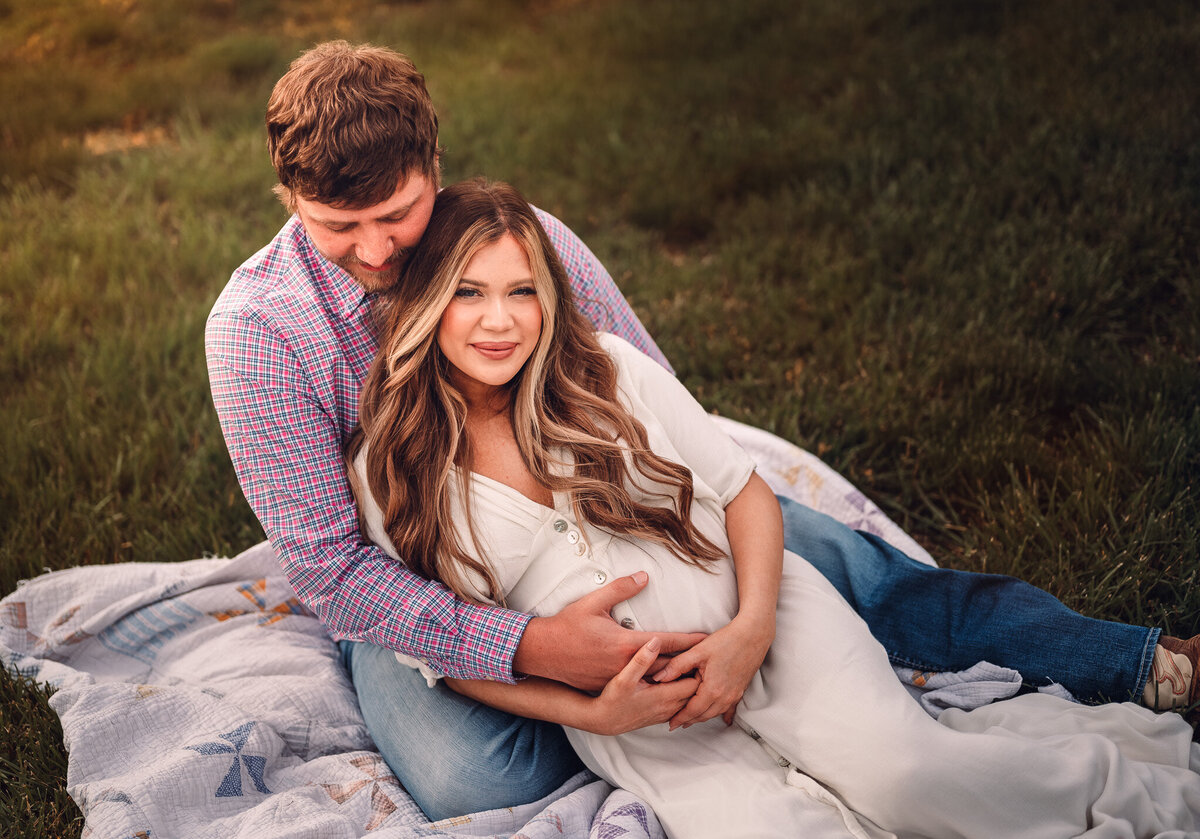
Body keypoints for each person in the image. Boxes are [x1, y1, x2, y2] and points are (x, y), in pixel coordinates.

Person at [205, 40, 1199, 821]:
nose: (376, 251)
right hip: (428, 564)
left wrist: (729, 597)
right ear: (288, 198)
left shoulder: (516, 242)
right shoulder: (260, 334)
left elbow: (644, 399)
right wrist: (543, 648)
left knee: (852, 574)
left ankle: (1142, 660)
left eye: (398, 215)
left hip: (595, 494)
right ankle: (670, 735)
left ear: (433, 165)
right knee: (471, 780)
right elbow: (340, 573)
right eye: (340, 230)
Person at [347, 176, 1200, 838]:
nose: (501, 320)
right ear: (425, 302)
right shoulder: (395, 466)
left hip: (768, 627)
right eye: (469, 291)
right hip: (644, 721)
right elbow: (447, 651)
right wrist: (593, 712)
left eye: (522, 290)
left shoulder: (605, 369)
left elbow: (746, 490)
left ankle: (1104, 778)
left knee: (911, 777)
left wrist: (750, 628)